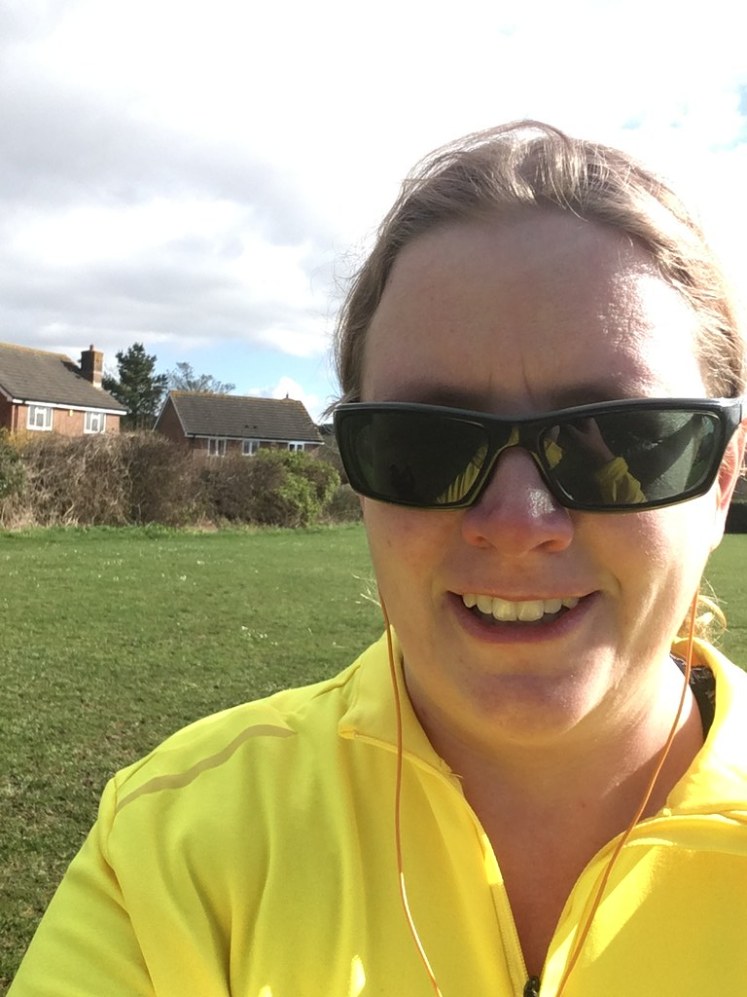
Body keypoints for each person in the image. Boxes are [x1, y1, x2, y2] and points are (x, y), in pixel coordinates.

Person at [10, 121, 747, 996]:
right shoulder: (177, 844)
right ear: (359, 474)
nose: (516, 523)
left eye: (619, 440)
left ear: (719, 481)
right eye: (423, 445)